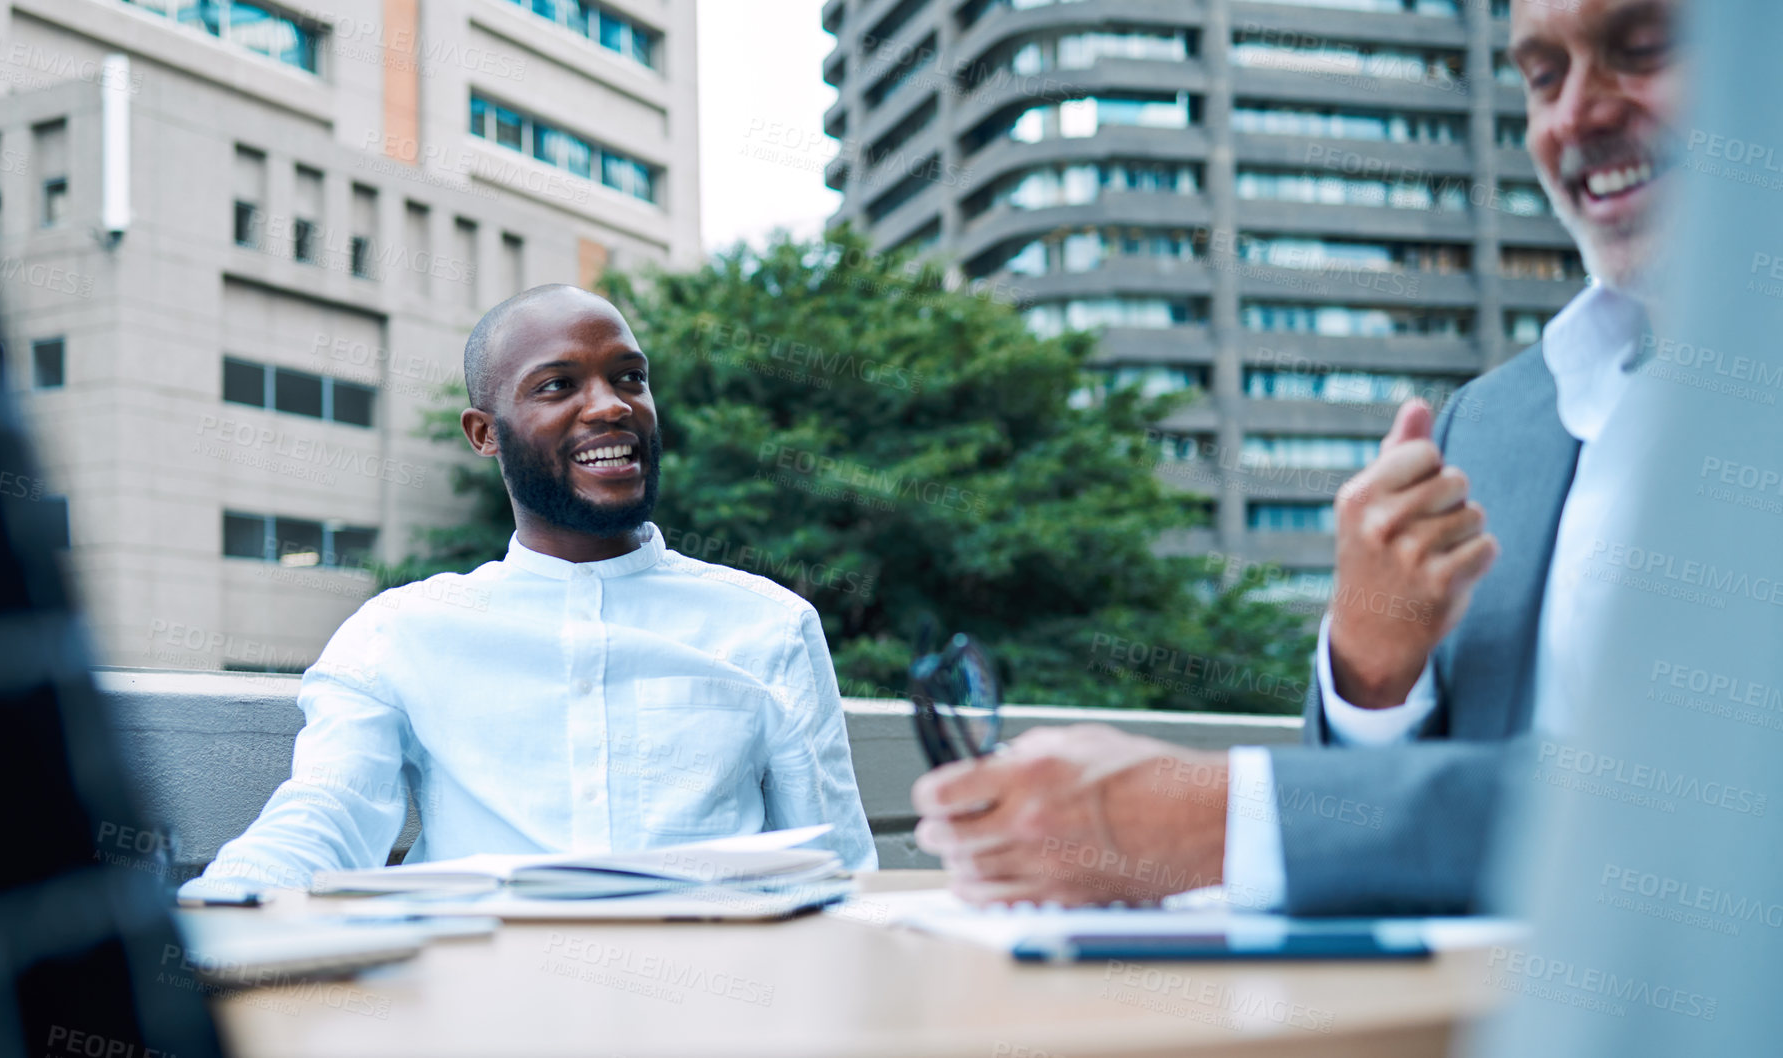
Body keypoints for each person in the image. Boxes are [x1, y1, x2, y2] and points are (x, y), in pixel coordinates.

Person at [913, 0, 1681, 914]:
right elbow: (1387, 813)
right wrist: (1371, 670)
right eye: (1543, 74)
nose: (1574, 115)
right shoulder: (1492, 422)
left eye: (1644, 49)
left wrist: (1210, 824)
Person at [182, 285, 875, 898]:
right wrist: (227, 904)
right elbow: (328, 815)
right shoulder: (399, 632)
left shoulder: (771, 626)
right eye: (557, 386)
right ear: (485, 433)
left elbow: (836, 865)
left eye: (630, 377)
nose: (610, 406)